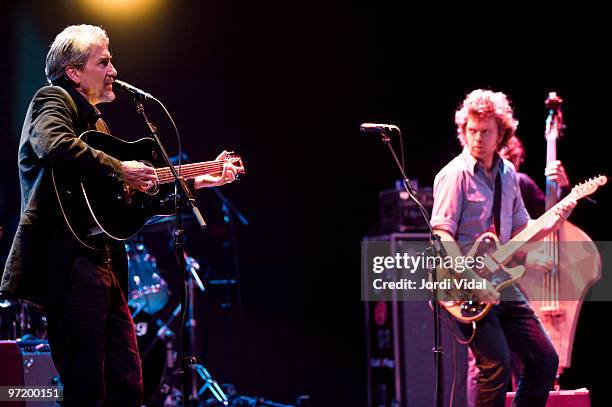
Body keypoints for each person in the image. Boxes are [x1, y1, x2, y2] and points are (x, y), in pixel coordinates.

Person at [0, 24, 241, 406]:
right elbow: (52, 143)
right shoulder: (51, 100)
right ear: (74, 72)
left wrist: (200, 181)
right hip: (69, 266)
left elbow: (128, 206)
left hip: (104, 266)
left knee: (128, 385)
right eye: (104, 62)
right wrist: (120, 167)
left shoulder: (97, 126)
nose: (114, 70)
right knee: (86, 389)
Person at [430, 89, 576, 407]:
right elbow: (442, 234)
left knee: (544, 359)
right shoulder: (455, 175)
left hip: (500, 280)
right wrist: (471, 279)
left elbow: (521, 230)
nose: (478, 138)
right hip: (464, 282)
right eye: (471, 131)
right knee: (496, 365)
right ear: (463, 131)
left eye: (486, 132)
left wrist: (551, 222)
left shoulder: (508, 174)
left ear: (501, 134)